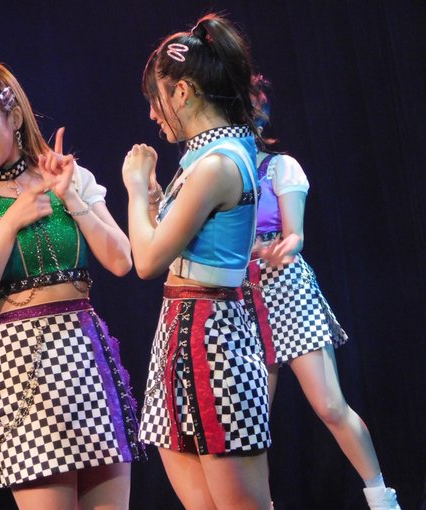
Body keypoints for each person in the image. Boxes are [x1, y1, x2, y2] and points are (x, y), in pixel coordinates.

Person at [0, 60, 143, 510]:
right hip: (22, 365)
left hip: (86, 353)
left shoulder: (68, 177)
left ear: (13, 118)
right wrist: (9, 224)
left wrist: (69, 195)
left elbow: (121, 261)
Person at [123, 14, 272, 510]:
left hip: (212, 340)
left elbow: (146, 260)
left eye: (157, 99)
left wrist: (134, 188)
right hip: (183, 332)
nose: (153, 113)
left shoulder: (217, 165)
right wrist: (150, 200)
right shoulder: (205, 160)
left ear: (182, 92)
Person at [241, 86, 401, 510]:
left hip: (286, 289)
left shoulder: (280, 167)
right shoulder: (215, 173)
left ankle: (382, 499)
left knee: (330, 405)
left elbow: (295, 234)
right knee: (252, 425)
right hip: (238, 298)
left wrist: (281, 248)